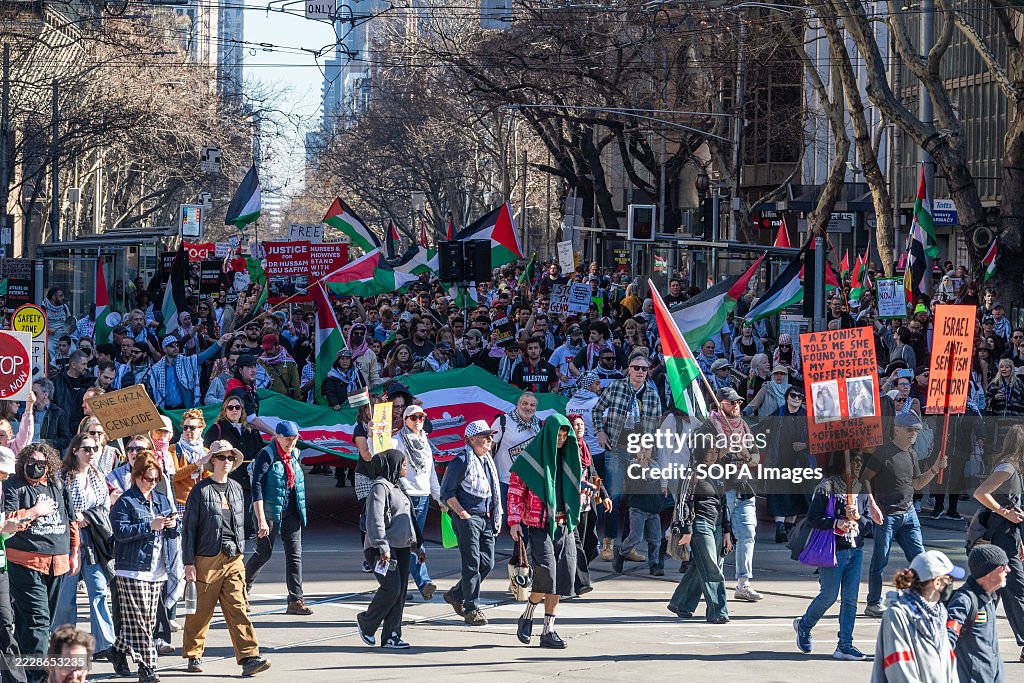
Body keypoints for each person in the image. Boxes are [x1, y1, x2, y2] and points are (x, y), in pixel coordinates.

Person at [181, 441, 271, 677]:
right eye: (222, 458)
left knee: (239, 608)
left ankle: (249, 657)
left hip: (233, 557)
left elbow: (239, 522)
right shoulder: (200, 491)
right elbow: (189, 529)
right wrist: (189, 563)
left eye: (230, 458)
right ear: (213, 461)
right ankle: (193, 654)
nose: (227, 461)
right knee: (200, 611)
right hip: (206, 558)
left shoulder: (236, 488)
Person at [1, 443, 79, 683]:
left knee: (34, 624)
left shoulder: (58, 486)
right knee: (38, 619)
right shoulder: (14, 486)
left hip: (57, 562)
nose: (36, 468)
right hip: (25, 561)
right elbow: (9, 522)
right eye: (31, 463)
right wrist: (35, 511)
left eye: (41, 464)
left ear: (49, 466)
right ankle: (37, 676)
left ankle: (20, 672)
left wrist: (74, 551)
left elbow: (71, 520)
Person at [794, 452, 882, 661]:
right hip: (834, 549)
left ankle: (845, 644)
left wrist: (858, 519)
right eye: (853, 464)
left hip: (856, 549)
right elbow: (813, 518)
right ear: (841, 465)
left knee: (851, 599)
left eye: (859, 464)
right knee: (829, 595)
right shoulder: (826, 487)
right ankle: (804, 625)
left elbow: (869, 521)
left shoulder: (861, 489)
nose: (857, 468)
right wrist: (837, 522)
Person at [861, 412, 946, 617]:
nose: (914, 433)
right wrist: (872, 504)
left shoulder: (912, 454)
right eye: (910, 430)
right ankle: (873, 603)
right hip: (886, 515)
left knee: (920, 559)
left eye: (916, 430)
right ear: (897, 429)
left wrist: (934, 469)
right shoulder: (882, 453)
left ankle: (924, 598)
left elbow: (916, 484)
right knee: (880, 561)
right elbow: (864, 479)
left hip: (908, 514)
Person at [509, 416, 581, 649]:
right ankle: (528, 613)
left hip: (564, 525)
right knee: (548, 575)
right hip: (539, 526)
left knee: (561, 579)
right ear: (548, 434)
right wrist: (514, 521)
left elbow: (576, 484)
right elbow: (515, 491)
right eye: (557, 436)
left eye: (564, 436)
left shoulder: (569, 457)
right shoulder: (530, 459)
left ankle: (548, 631)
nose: (561, 440)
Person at [106, 451, 179, 683]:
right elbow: (120, 532)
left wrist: (171, 524)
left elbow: (171, 532)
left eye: (156, 479)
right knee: (140, 619)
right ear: (137, 477)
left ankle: (117, 649)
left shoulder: (161, 499)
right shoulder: (126, 501)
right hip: (132, 568)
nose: (153, 483)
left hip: (157, 568)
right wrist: (150, 525)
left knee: (147, 619)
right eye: (148, 478)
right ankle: (148, 667)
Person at [51, 434, 117, 663]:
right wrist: (74, 518)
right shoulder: (62, 476)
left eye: (94, 449)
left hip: (93, 538)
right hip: (69, 538)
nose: (91, 453)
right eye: (86, 449)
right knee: (66, 596)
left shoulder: (98, 475)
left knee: (98, 590)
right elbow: (56, 505)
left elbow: (104, 505)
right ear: (75, 450)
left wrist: (88, 516)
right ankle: (64, 644)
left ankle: (105, 644)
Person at [592, 351, 662, 562]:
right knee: (614, 495)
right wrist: (599, 431)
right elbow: (597, 410)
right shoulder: (615, 387)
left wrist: (650, 452)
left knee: (635, 500)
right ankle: (609, 543)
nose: (640, 372)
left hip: (639, 452)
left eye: (644, 368)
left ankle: (629, 545)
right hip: (617, 448)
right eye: (636, 368)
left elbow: (656, 424)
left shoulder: (652, 393)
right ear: (629, 369)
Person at [244, 421, 312, 616]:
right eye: (287, 439)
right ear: (278, 437)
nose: (291, 442)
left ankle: (295, 599)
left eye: (294, 439)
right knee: (264, 553)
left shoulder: (295, 454)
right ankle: (242, 591)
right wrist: (261, 519)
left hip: (291, 510)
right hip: (269, 511)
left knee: (294, 554)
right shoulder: (267, 454)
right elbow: (256, 486)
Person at [356, 449, 422, 649]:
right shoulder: (380, 488)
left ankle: (392, 635)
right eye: (402, 464)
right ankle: (367, 622)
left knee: (400, 591)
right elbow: (375, 520)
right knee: (391, 588)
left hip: (401, 548)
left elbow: (409, 519)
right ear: (391, 465)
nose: (405, 467)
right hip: (381, 549)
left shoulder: (398, 487)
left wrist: (418, 546)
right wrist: (383, 547)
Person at [666, 426, 731, 624]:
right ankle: (718, 611)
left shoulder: (718, 473)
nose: (712, 455)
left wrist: (727, 532)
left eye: (715, 451)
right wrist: (687, 529)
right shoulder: (691, 473)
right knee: (712, 567)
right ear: (701, 451)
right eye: (709, 451)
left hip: (717, 525)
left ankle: (681, 603)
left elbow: (724, 504)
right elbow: (683, 501)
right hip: (699, 523)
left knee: (700, 565)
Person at [440, 420, 503, 627]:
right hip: (468, 518)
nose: (490, 440)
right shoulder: (461, 460)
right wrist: (462, 513)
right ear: (472, 439)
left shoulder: (487, 460)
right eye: (486, 436)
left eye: (491, 436)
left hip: (484, 517)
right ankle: (471, 608)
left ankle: (456, 594)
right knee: (472, 564)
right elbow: (446, 493)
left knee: (488, 562)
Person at [971, 422, 1024, 660]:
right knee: (1016, 589)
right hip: (998, 537)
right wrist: (1005, 513)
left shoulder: (1014, 469)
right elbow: (981, 493)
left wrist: (1019, 538)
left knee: (993, 593)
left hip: (1007, 536)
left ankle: (977, 638)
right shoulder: (1008, 468)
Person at [870, 551, 963, 683]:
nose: (951, 584)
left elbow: (949, 663)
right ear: (936, 582)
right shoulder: (898, 614)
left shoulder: (940, 613)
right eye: (949, 579)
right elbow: (899, 669)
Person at [393, 405, 440, 601]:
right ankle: (422, 581)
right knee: (411, 541)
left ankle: (400, 586)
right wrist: (372, 434)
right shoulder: (397, 440)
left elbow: (430, 473)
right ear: (405, 420)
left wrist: (438, 497)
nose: (418, 420)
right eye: (413, 418)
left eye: (421, 417)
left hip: (422, 496)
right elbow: (376, 450)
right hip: (405, 496)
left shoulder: (424, 441)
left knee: (412, 542)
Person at [203, 396, 264, 543]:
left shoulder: (250, 430)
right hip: (228, 476)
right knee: (228, 507)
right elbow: (208, 451)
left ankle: (245, 531)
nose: (234, 410)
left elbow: (259, 449)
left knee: (246, 506)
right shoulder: (216, 429)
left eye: (238, 407)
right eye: (231, 407)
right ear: (224, 410)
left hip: (248, 476)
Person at [946, 544, 1010, 682]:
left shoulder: (989, 599)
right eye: (1003, 567)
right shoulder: (964, 600)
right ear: (990, 572)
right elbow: (947, 639)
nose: (1008, 570)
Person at [567, 414, 610, 596]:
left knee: (588, 544)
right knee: (575, 545)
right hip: (570, 505)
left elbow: (593, 473)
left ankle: (571, 577)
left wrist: (604, 495)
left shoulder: (584, 448)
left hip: (587, 505)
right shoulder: (565, 449)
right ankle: (581, 582)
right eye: (576, 425)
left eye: (582, 425)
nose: (580, 428)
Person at [0, 446, 30, 683]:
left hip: (1, 568)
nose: (4, 476)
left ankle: (16, 679)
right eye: (1, 472)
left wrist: (14, 527)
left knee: (5, 625)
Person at [765, 387, 809, 543]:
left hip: (800, 465)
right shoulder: (779, 414)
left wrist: (805, 445)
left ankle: (789, 529)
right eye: (793, 395)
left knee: (796, 498)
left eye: (800, 396)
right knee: (779, 496)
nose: (796, 398)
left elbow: (818, 438)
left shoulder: (806, 416)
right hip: (780, 463)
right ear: (787, 397)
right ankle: (780, 528)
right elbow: (763, 429)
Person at [490, 392, 542, 508]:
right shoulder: (502, 421)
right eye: (525, 403)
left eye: (532, 405)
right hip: (505, 482)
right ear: (518, 405)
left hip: (529, 483)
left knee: (525, 523)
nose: (528, 407)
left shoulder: (538, 425)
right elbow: (488, 447)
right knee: (504, 523)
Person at [171, 409, 210, 517]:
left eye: (192, 427)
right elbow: (174, 475)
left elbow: (210, 479)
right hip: (181, 502)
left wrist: (205, 465)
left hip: (202, 501)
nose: (188, 430)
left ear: (201, 430)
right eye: (185, 427)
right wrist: (196, 464)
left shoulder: (205, 452)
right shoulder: (174, 449)